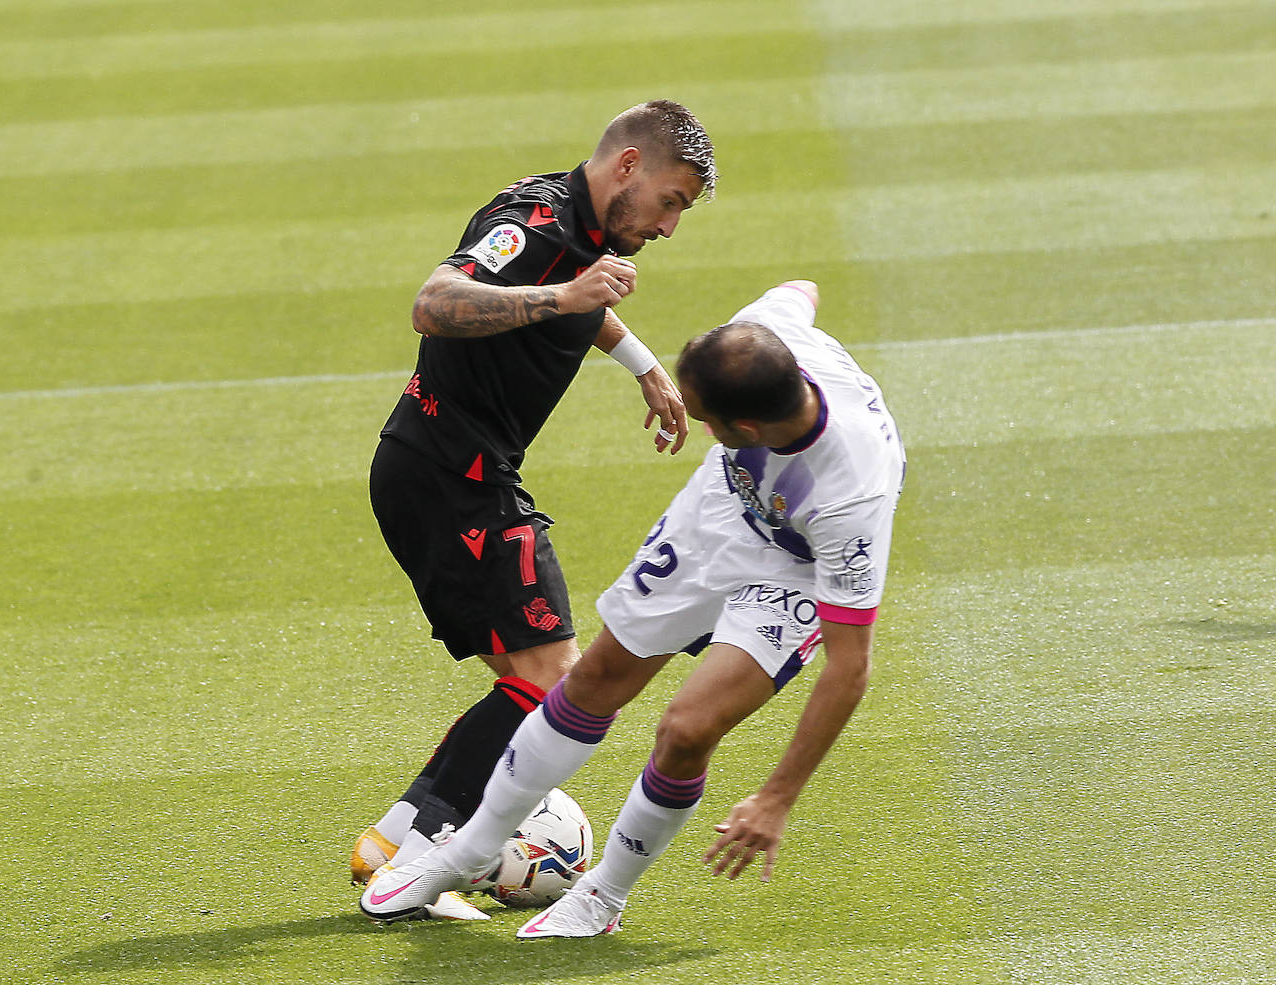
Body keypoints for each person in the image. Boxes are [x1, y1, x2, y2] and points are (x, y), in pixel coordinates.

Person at [359, 279, 906, 936]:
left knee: (686, 730)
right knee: (591, 681)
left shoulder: (850, 499)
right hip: (721, 516)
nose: (696, 422)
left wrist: (777, 796)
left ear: (749, 430)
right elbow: (801, 289)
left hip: (798, 564)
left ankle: (603, 897)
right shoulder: (766, 335)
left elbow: (850, 667)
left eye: (707, 419)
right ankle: (469, 847)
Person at [352, 101, 718, 919]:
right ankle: (412, 863)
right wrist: (562, 299)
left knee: (529, 680)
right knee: (558, 681)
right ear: (628, 165)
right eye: (671, 201)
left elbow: (579, 291)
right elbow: (436, 301)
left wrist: (641, 364)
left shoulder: (587, 230)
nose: (668, 226)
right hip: (453, 477)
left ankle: (398, 840)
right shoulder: (537, 222)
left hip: (450, 471)